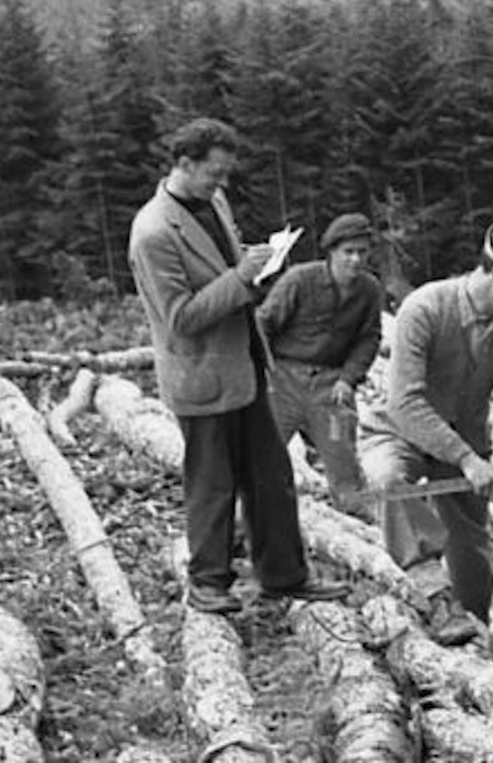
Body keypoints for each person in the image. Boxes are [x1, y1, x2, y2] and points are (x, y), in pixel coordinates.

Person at [128, 116, 349, 614]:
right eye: (213, 173)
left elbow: (230, 273)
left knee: (271, 475)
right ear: (183, 164)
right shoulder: (153, 233)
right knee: (212, 482)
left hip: (246, 367)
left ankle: (284, 576)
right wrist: (241, 277)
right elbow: (180, 318)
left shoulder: (214, 202)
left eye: (226, 173)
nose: (221, 184)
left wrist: (257, 268)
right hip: (201, 377)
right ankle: (208, 583)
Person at [359, 212, 493, 645]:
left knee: (469, 541)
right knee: (389, 480)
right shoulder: (426, 309)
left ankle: (474, 626)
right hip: (400, 430)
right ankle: (434, 597)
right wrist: (466, 458)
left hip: (466, 435)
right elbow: (406, 402)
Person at [258, 212, 385, 514]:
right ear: (331, 251)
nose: (355, 260)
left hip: (331, 388)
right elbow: (263, 324)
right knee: (261, 457)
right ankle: (240, 531)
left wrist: (348, 378)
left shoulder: (369, 289)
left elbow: (369, 338)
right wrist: (263, 371)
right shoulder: (300, 280)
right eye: (348, 252)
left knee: (343, 458)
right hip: (283, 381)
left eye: (362, 252)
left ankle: (354, 527)